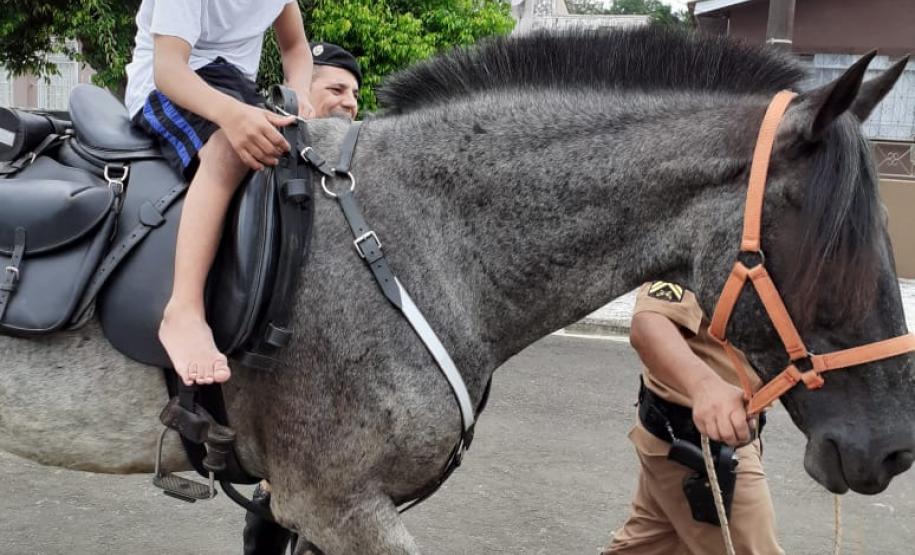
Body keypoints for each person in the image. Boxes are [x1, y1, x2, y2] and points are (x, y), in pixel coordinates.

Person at [124, 0, 315, 387]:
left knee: (301, 157)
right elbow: (169, 69)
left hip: (235, 87)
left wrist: (299, 96)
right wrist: (231, 116)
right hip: (169, 87)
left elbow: (295, 48)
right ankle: (183, 310)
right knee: (229, 151)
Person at [239, 43, 362, 555]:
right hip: (281, 365)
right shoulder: (261, 164)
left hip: (349, 369)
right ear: (299, 95)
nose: (350, 102)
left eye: (355, 93)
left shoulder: (357, 170)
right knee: (278, 497)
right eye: (335, 89)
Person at [602, 281, 784, 554]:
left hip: (708, 440)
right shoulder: (712, 241)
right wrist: (704, 386)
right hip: (699, 449)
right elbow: (648, 325)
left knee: (647, 546)